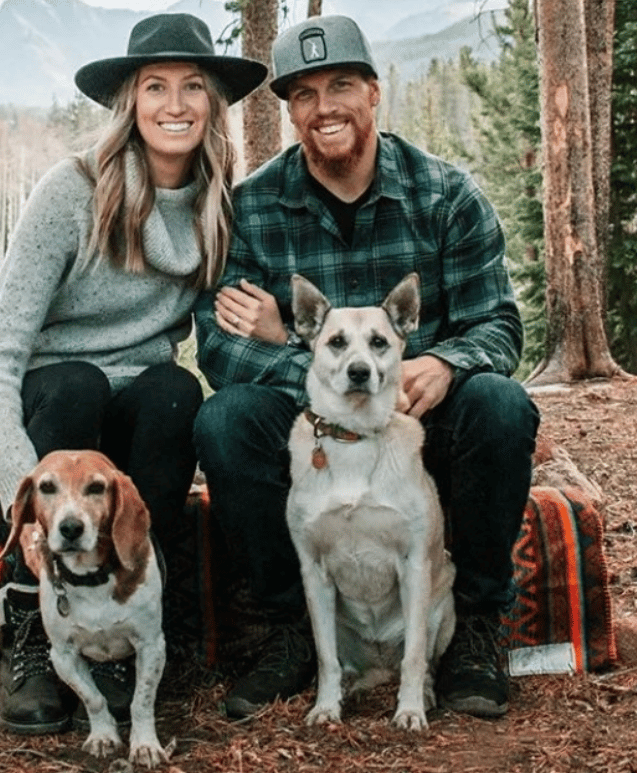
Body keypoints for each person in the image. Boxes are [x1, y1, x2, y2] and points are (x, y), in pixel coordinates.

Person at [192, 14, 540, 721]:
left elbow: (499, 323)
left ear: (375, 92)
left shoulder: (445, 195)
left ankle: (474, 624)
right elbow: (221, 346)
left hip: (424, 430)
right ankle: (291, 629)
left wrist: (445, 361)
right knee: (223, 418)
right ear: (289, 111)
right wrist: (315, 368)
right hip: (316, 441)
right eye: (305, 94)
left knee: (502, 404)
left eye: (342, 84)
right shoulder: (251, 208)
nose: (325, 108)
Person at [0, 13, 266, 735]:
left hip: (124, 422)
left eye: (194, 87)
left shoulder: (219, 207)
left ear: (214, 105)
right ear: (130, 102)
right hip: (29, 407)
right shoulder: (72, 192)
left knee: (176, 390)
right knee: (75, 385)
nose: (176, 104)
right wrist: (20, 506)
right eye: (155, 86)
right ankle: (30, 617)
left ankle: (127, 623)